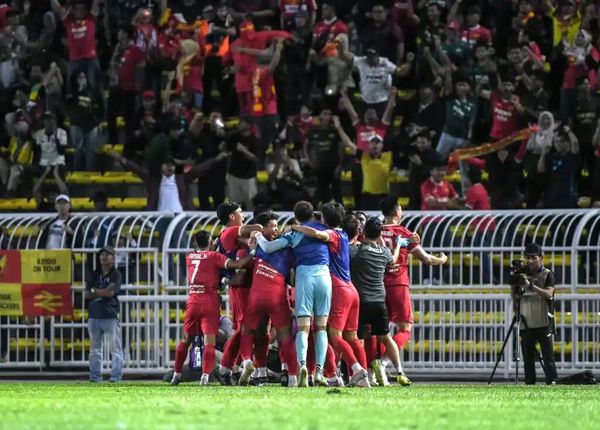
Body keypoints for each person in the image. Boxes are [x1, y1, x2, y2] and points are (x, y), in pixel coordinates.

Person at [290, 203, 370, 387]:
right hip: (351, 289)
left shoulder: (332, 234)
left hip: (339, 288)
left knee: (332, 336)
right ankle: (364, 379)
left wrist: (297, 227)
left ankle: (354, 369)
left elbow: (318, 234)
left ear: (325, 218)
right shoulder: (343, 234)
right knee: (352, 338)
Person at [254, 201, 331, 387]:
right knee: (321, 327)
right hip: (324, 276)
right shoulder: (325, 230)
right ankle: (319, 371)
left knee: (303, 328)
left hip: (304, 277)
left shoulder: (293, 234)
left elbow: (268, 248)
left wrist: (258, 236)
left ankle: (302, 365)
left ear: (295, 217)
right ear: (312, 215)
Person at [380, 197, 448, 385]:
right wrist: (442, 260)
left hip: (377, 285)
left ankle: (371, 369)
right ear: (397, 212)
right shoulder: (403, 233)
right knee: (405, 328)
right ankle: (383, 362)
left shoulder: (375, 231)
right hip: (398, 285)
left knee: (379, 329)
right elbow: (426, 259)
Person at [171, 231, 250, 386]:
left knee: (186, 339)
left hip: (193, 300)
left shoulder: (190, 256)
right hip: (209, 300)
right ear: (210, 242)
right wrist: (252, 254)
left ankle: (176, 375)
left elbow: (202, 258)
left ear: (194, 243)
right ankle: (205, 377)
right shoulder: (214, 256)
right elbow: (237, 264)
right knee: (209, 342)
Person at [239, 211, 298, 387]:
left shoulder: (257, 249)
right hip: (277, 297)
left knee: (248, 332)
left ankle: (247, 362)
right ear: (262, 228)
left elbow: (241, 240)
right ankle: (292, 376)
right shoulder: (288, 250)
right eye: (273, 226)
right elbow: (292, 277)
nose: (276, 229)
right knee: (285, 338)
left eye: (277, 226)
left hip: (256, 296)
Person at [349, 217, 407, 387]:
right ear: (380, 234)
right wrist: (398, 245)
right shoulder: (384, 253)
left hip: (362, 301)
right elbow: (393, 259)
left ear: (363, 231)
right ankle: (400, 372)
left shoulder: (356, 251)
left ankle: (362, 375)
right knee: (386, 337)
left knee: (358, 339)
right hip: (379, 301)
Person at [215, 202, 263, 385]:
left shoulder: (231, 236)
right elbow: (258, 228)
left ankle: (230, 368)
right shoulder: (229, 232)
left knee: (247, 328)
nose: (243, 216)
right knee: (244, 328)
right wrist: (257, 233)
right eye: (240, 213)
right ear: (231, 216)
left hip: (246, 286)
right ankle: (239, 364)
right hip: (240, 287)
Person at [510, 243, 558, 385]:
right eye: (527, 257)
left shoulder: (547, 274)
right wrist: (515, 282)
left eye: (533, 258)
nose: (530, 261)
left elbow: (549, 294)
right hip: (526, 321)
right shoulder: (522, 274)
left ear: (541, 258)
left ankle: (552, 381)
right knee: (528, 356)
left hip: (543, 320)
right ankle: (529, 382)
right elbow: (515, 297)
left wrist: (530, 285)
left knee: (548, 356)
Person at [85, 246, 123, 383]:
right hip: (94, 315)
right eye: (102, 254)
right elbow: (86, 294)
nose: (104, 257)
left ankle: (115, 377)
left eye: (107, 254)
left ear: (113, 258)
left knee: (115, 348)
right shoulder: (94, 273)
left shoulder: (116, 274)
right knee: (95, 349)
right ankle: (95, 376)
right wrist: (103, 291)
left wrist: (95, 291)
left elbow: (110, 293)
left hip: (109, 315)